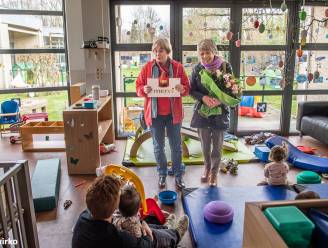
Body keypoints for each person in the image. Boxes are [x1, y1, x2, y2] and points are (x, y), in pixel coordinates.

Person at [72, 175, 187, 248]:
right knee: (152, 236)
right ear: (116, 206)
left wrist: (142, 222)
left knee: (143, 224)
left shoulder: (84, 216)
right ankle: (175, 235)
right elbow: (145, 245)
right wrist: (147, 235)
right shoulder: (117, 238)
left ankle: (167, 228)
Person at [136, 38, 190, 189]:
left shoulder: (178, 67)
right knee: (158, 146)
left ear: (167, 51)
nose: (157, 53)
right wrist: (143, 90)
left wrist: (182, 89)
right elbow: (138, 86)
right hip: (155, 115)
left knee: (176, 146)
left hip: (174, 115)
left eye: (160, 50)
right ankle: (162, 174)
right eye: (155, 50)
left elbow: (187, 88)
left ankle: (178, 175)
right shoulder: (147, 67)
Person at [190, 39, 241, 187]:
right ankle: (206, 167)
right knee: (205, 145)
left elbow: (233, 89)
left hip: (220, 113)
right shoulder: (197, 68)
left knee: (217, 146)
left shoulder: (225, 66)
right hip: (202, 113)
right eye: (202, 53)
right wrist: (203, 97)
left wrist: (221, 100)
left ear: (214, 52)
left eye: (207, 52)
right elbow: (192, 90)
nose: (205, 56)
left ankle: (214, 172)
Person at [113, 184, 189, 248]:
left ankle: (167, 228)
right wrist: (148, 238)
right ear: (137, 210)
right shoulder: (134, 226)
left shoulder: (117, 213)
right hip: (146, 241)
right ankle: (176, 235)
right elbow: (142, 244)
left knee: (152, 226)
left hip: (137, 231)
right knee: (158, 236)